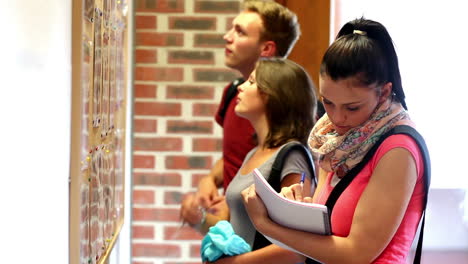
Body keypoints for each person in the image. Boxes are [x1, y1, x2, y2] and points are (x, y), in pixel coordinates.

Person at [242, 18, 429, 264]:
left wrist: (266, 224)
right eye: (328, 102)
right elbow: (326, 236)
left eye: (352, 107)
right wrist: (297, 210)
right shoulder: (336, 143)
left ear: (383, 92)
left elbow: (355, 254)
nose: (337, 118)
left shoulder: (398, 148)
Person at [180, 0, 301, 228]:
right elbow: (236, 155)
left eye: (240, 32)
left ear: (266, 49)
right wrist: (210, 179)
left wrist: (216, 214)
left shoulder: (287, 110)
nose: (227, 37)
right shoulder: (233, 94)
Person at [208, 57, 318, 263]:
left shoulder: (292, 156)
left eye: (250, 81)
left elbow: (297, 249)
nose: (240, 88)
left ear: (272, 94)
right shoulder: (254, 153)